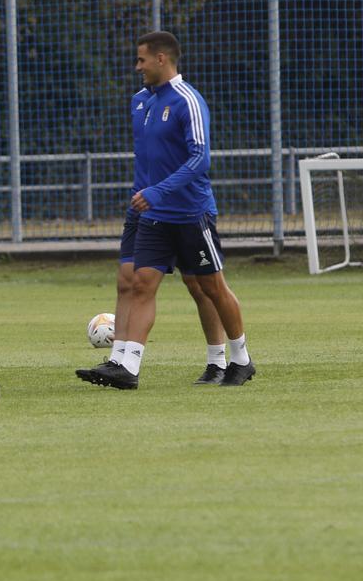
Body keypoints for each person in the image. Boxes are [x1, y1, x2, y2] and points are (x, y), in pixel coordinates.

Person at [77, 32, 254, 390]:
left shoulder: (188, 100)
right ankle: (126, 367)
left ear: (161, 59)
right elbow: (149, 159)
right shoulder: (141, 101)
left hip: (189, 213)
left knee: (211, 287)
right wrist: (143, 197)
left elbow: (200, 159)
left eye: (142, 59)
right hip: (152, 214)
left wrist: (158, 191)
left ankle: (240, 359)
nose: (137, 66)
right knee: (140, 284)